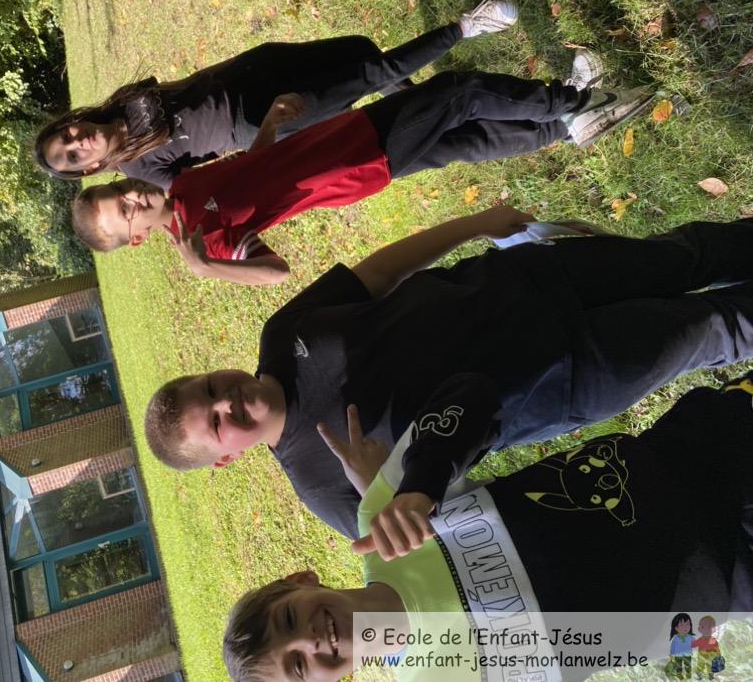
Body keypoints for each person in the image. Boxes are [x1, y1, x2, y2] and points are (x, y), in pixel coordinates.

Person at [145, 208, 753, 537]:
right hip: (565, 374)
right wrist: (382, 490)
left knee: (683, 255)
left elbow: (377, 275)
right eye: (216, 424)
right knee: (712, 328)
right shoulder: (327, 488)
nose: (225, 400)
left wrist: (476, 224)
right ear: (226, 458)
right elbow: (446, 533)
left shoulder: (281, 335)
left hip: (532, 279)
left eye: (208, 388)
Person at [221, 373, 753, 682]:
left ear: (299, 581)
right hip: (727, 581)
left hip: (694, 455)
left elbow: (471, 394)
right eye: (298, 667)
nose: (309, 640)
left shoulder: (385, 520)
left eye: (288, 619)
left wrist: (418, 485)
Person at [70, 69, 653, 285]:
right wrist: (206, 267)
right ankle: (575, 101)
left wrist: (269, 123)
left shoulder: (183, 188)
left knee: (462, 142)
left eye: (118, 190)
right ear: (137, 238)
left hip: (343, 138)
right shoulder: (207, 241)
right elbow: (276, 273)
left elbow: (254, 167)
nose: (130, 196)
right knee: (457, 94)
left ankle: (565, 131)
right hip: (357, 161)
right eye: (124, 212)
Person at [34, 0, 523, 187]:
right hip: (262, 117)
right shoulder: (140, 168)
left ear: (71, 122)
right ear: (89, 169)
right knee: (373, 73)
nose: (78, 142)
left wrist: (251, 58)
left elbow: (190, 84)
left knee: (360, 49)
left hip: (256, 70)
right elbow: (217, 183)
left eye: (67, 136)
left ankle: (434, 106)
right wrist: (265, 136)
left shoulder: (121, 104)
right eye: (72, 157)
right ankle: (469, 26)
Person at [692, 615, 724, 679]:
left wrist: (718, 655)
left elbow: (716, 648)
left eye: (709, 627)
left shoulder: (713, 640)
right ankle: (699, 675)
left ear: (714, 629)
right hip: (701, 654)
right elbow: (693, 645)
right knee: (700, 665)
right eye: (703, 627)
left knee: (709, 666)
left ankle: (710, 675)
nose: (706, 629)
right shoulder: (700, 639)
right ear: (699, 629)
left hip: (710, 655)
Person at [669, 613, 696, 679]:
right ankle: (679, 675)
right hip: (678, 655)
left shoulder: (690, 637)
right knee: (678, 666)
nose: (685, 627)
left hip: (688, 654)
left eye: (687, 624)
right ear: (676, 628)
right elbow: (673, 645)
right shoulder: (676, 638)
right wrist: (672, 652)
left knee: (688, 665)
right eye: (681, 625)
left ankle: (688, 674)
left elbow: (695, 643)